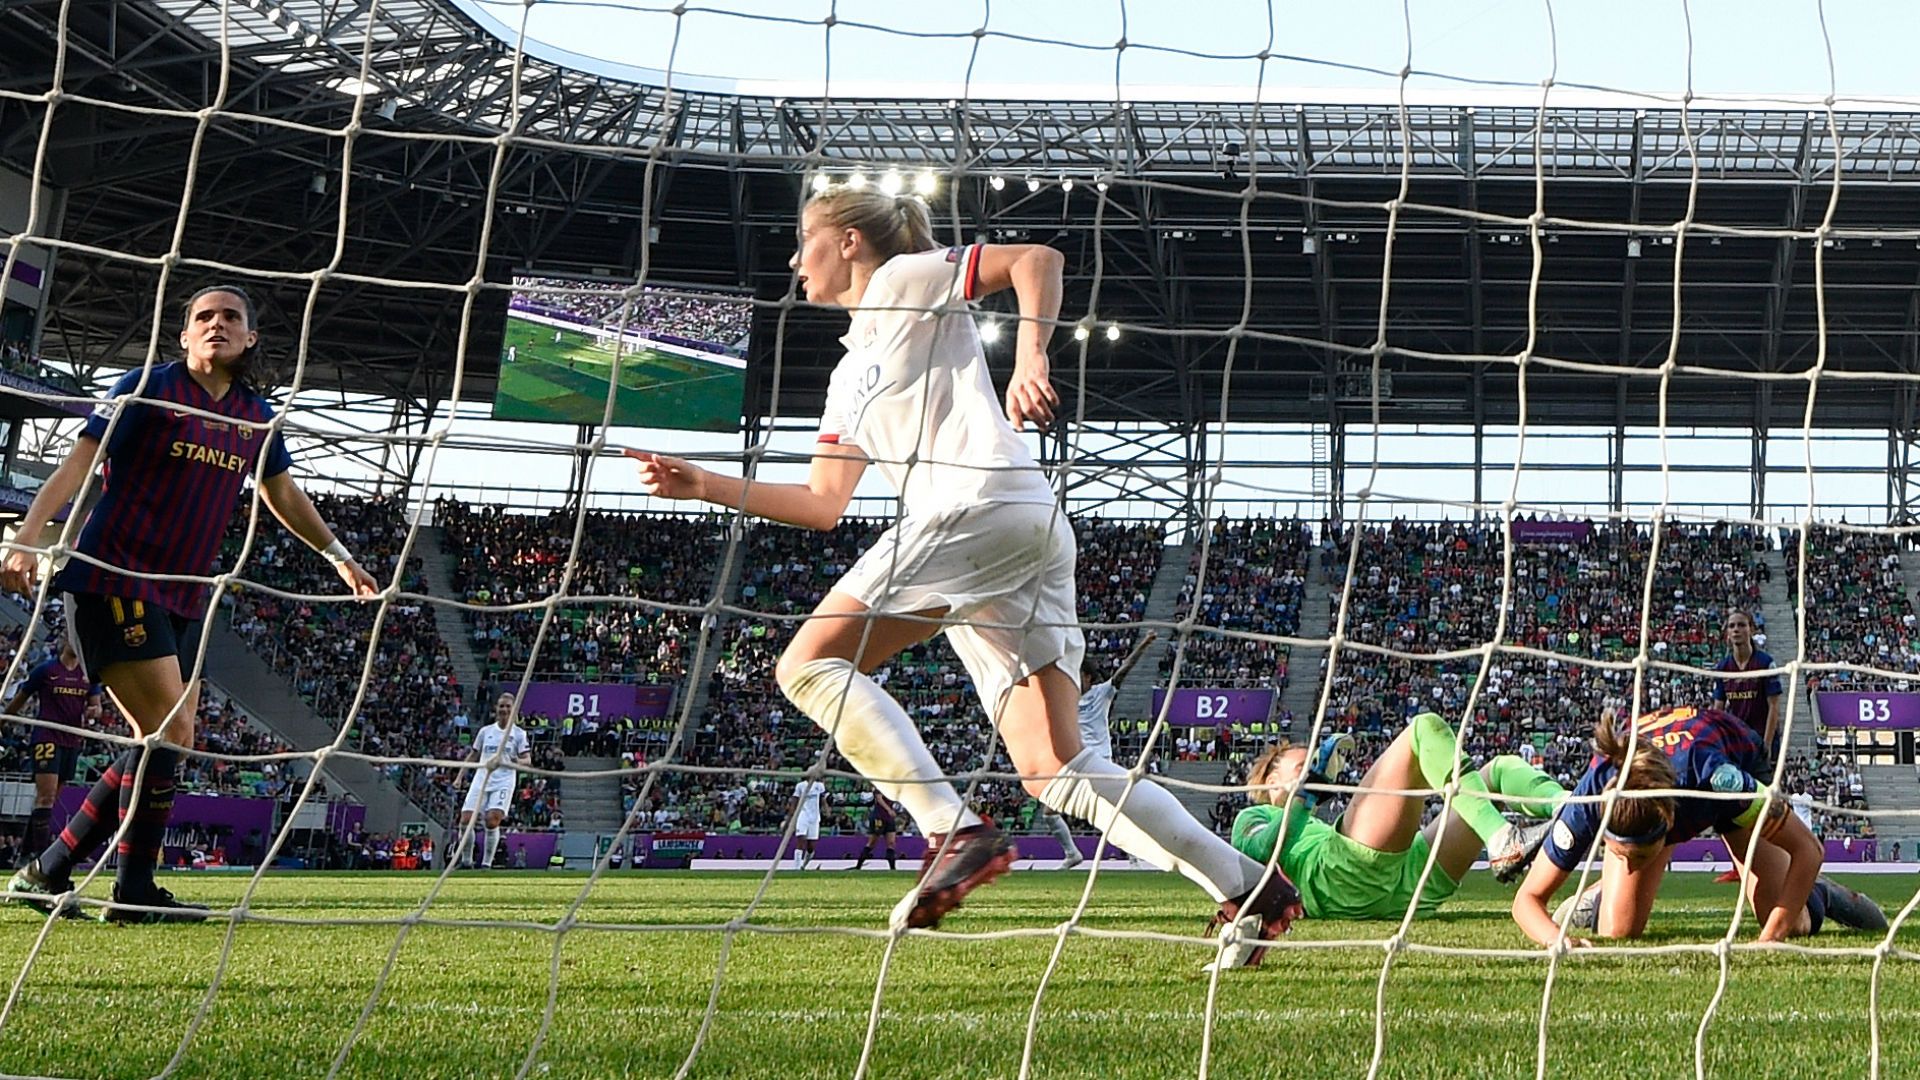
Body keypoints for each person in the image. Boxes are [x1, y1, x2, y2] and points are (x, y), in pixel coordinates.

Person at [629, 187, 1300, 962]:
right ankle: (1249, 886)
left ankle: (951, 829)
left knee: (809, 665)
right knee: (1055, 768)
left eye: (803, 239)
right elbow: (821, 503)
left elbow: (1035, 259)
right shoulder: (849, 375)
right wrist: (702, 484)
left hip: (981, 506)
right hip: (1011, 535)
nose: (792, 258)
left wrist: (1031, 359)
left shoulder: (902, 281)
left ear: (848, 242)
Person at [3, 285, 377, 922]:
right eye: (204, 317)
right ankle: (132, 891)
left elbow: (281, 494)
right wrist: (28, 538)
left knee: (165, 741)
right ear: (184, 336)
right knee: (169, 733)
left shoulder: (254, 414)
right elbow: (78, 463)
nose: (217, 325)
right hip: (114, 577)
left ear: (250, 338)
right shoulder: (146, 387)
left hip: (184, 592)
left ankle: (50, 871)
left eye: (231, 317)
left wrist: (338, 554)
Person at [1512, 706, 1887, 947]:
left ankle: (1819, 894)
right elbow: (1526, 900)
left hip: (1732, 767)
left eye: (1639, 856)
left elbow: (1810, 849)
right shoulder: (1594, 793)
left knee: (1792, 921)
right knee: (1619, 931)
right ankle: (1605, 890)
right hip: (1674, 787)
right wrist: (1554, 940)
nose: (1629, 863)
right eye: (1619, 853)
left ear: (1669, 828)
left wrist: (1770, 938)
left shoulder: (1719, 780)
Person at [1231, 713, 1564, 921]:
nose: (1314, 775)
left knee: (1498, 770)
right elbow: (1263, 849)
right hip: (1343, 881)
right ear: (1272, 780)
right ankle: (1501, 838)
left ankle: (1574, 807)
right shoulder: (1251, 816)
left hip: (1412, 888)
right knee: (1423, 729)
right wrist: (1306, 796)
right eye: (1304, 768)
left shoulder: (1314, 822)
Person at [1041, 629, 1158, 870]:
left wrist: (1144, 644)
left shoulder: (1102, 692)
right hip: (1076, 759)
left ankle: (1133, 854)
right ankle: (1072, 854)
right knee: (1048, 810)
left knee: (1111, 813)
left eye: (1078, 675)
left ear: (1088, 677)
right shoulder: (1068, 697)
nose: (1074, 678)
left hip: (1100, 759)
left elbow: (1123, 670)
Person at [4, 641, 102, 861]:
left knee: (49, 799)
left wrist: (94, 710)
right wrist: (4, 720)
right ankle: (42, 856)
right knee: (46, 797)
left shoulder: (88, 675)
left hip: (72, 740)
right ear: (64, 643)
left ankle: (25, 852)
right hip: (47, 738)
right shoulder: (46, 670)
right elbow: (22, 697)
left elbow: (96, 705)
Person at [456, 693, 531, 870]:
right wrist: (460, 776)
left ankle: (486, 864)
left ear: (513, 710)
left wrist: (514, 761)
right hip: (482, 778)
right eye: (501, 706)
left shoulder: (519, 734)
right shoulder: (486, 732)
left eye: (507, 707)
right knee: (465, 819)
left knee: (492, 820)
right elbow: (473, 754)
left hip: (504, 781)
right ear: (496, 709)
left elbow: (527, 760)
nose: (504, 709)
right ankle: (467, 862)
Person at [1713, 609, 1782, 755]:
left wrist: (1766, 745)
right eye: (1731, 626)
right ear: (1727, 633)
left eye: (1741, 625)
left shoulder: (1765, 663)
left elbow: (1774, 706)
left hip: (1762, 739)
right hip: (1737, 742)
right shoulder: (1723, 668)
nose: (1736, 630)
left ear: (1751, 629)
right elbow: (1718, 709)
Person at [853, 788, 899, 871]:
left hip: (889, 818)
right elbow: (879, 799)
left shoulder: (892, 787)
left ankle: (892, 868)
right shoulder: (880, 786)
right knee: (872, 843)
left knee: (891, 843)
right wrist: (889, 810)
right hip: (879, 817)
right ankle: (859, 865)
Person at [788, 775, 826, 870]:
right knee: (801, 840)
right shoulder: (800, 785)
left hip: (815, 817)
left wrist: (826, 808)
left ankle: (803, 865)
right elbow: (795, 799)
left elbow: (822, 799)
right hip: (803, 815)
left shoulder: (819, 786)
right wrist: (792, 813)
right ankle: (796, 868)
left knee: (811, 846)